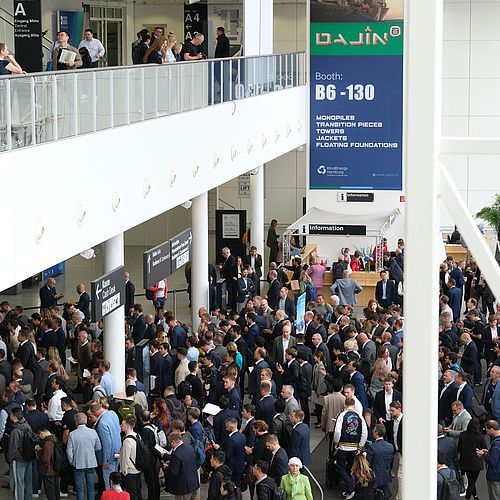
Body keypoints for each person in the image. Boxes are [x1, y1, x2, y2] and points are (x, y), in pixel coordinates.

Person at [66, 412, 101, 500]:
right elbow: (98, 447)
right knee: (90, 487)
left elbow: (69, 451)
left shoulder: (72, 434)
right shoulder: (93, 432)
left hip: (78, 463)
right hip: (91, 462)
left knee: (80, 488)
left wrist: (72, 461)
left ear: (76, 422)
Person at [164, 431, 200, 499]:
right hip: (193, 484)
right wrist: (172, 462)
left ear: (173, 442)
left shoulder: (176, 454)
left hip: (183, 489)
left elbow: (173, 473)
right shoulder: (189, 447)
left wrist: (166, 468)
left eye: (170, 443)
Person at [8, 408, 34, 500]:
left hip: (18, 459)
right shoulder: (27, 426)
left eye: (11, 414)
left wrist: (10, 459)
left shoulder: (15, 431)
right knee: (28, 482)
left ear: (14, 417)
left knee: (18, 483)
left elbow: (13, 448)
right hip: (28, 458)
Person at [458, 419, 487, 500]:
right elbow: (485, 449)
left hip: (465, 462)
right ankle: (467, 498)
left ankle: (475, 496)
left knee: (471, 481)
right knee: (472, 482)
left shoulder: (462, 435)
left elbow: (459, 448)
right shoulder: (480, 437)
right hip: (476, 463)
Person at [367, 424, 394, 500]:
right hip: (385, 476)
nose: (372, 431)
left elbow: (368, 463)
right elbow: (390, 461)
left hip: (375, 477)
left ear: (376, 432)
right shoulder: (390, 447)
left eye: (373, 430)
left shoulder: (372, 447)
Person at [477, 419, 500, 500]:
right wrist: (489, 452)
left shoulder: (496, 444)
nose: (486, 433)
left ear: (492, 429)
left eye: (487, 430)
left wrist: (483, 455)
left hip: (495, 475)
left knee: (494, 497)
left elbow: (493, 461)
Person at [37, 427, 61, 500]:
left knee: (50, 490)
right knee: (56, 488)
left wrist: (39, 452)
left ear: (42, 433)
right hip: (55, 468)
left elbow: (45, 459)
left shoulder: (47, 443)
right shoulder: (55, 439)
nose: (40, 438)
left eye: (39, 435)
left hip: (48, 470)